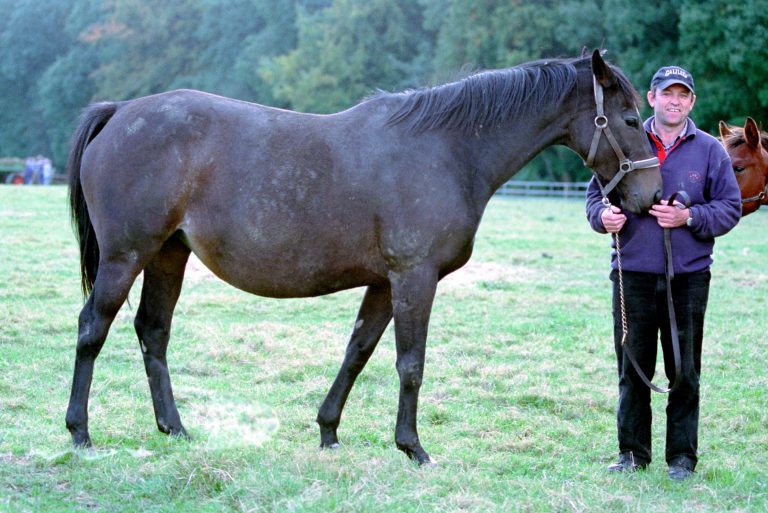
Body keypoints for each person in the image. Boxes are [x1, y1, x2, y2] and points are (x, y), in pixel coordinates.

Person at [585, 66, 741, 480]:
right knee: (632, 367)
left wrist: (688, 216)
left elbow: (729, 207)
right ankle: (633, 455)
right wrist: (604, 218)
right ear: (650, 98)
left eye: (683, 95)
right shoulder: (625, 140)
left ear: (691, 102)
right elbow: (593, 201)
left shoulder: (710, 150)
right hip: (631, 274)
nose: (675, 101)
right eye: (666, 93)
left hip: (688, 278)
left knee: (684, 370)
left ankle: (682, 459)